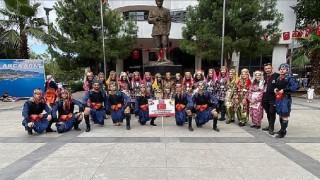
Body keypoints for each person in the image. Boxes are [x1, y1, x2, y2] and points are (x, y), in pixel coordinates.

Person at [274, 63, 298, 138]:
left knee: (284, 114)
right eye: (281, 69)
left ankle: (283, 132)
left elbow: (295, 87)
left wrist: (284, 90)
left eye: (283, 69)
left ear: (287, 70)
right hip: (279, 98)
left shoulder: (290, 78)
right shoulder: (278, 78)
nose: (282, 70)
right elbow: (278, 86)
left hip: (286, 98)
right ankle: (282, 129)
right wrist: (276, 89)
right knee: (280, 114)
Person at [261, 63, 280, 135]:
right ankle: (269, 125)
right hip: (265, 97)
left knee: (272, 112)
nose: (267, 70)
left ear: (272, 68)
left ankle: (271, 128)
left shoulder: (276, 76)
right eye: (266, 69)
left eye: (268, 68)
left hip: (273, 97)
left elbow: (280, 84)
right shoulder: (265, 76)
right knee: (268, 112)